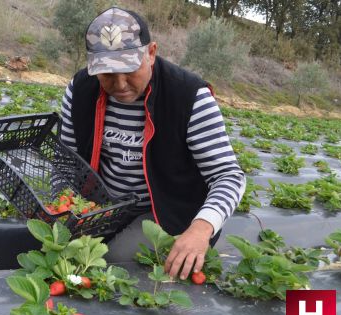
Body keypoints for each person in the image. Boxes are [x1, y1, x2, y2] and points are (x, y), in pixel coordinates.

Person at [59, 7, 246, 280]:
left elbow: (229, 176)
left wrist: (201, 229)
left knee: (113, 261)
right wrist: (61, 205)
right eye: (107, 73)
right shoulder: (80, 90)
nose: (120, 83)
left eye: (129, 69)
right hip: (104, 207)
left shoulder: (189, 96)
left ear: (151, 53)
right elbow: (67, 162)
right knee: (58, 248)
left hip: (168, 212)